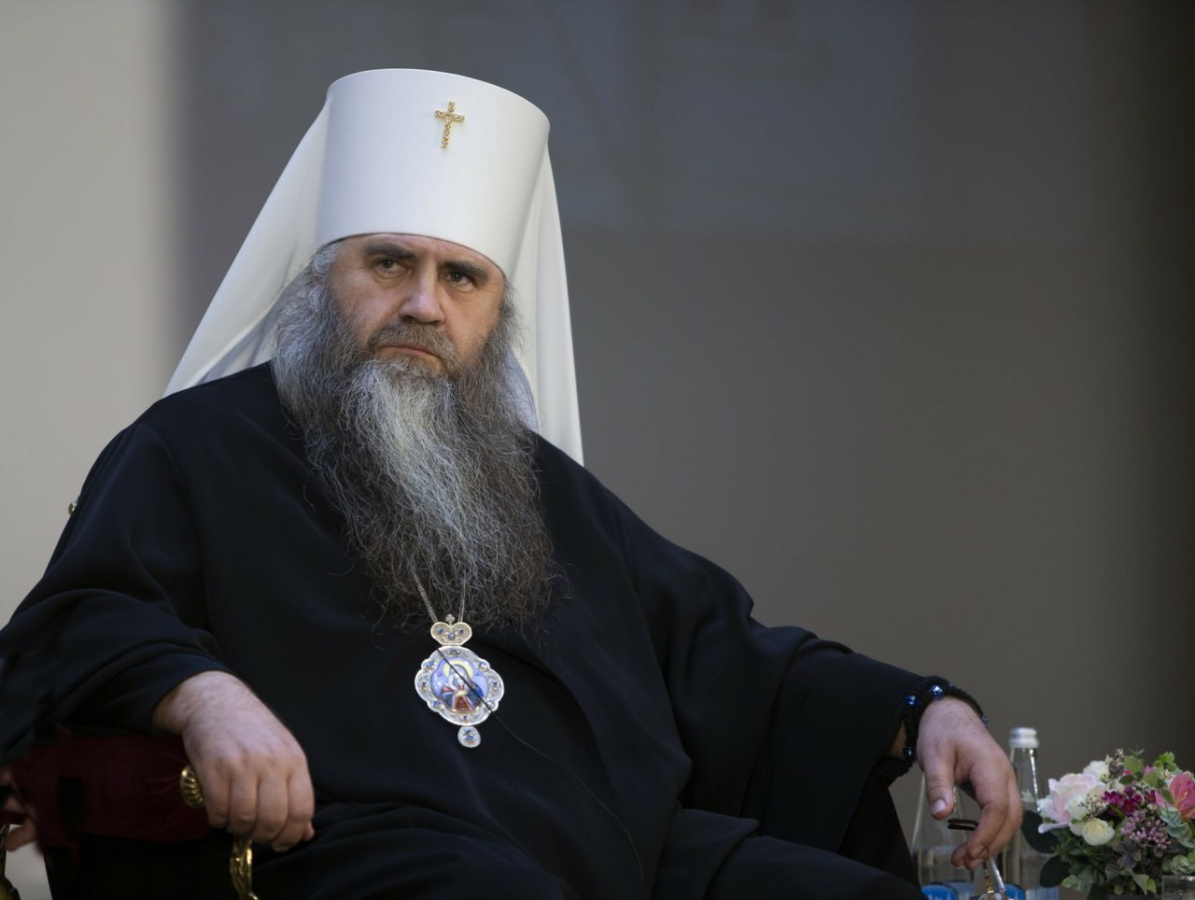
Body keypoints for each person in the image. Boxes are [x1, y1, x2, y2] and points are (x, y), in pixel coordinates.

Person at [0, 69, 1019, 898]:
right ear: (319, 283)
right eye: (388, 263)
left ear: (495, 311)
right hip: (356, 850)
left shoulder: (536, 486)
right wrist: (203, 694)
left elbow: (723, 654)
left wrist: (923, 708)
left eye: (462, 277)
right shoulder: (194, 447)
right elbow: (82, 613)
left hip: (612, 850)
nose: (423, 304)